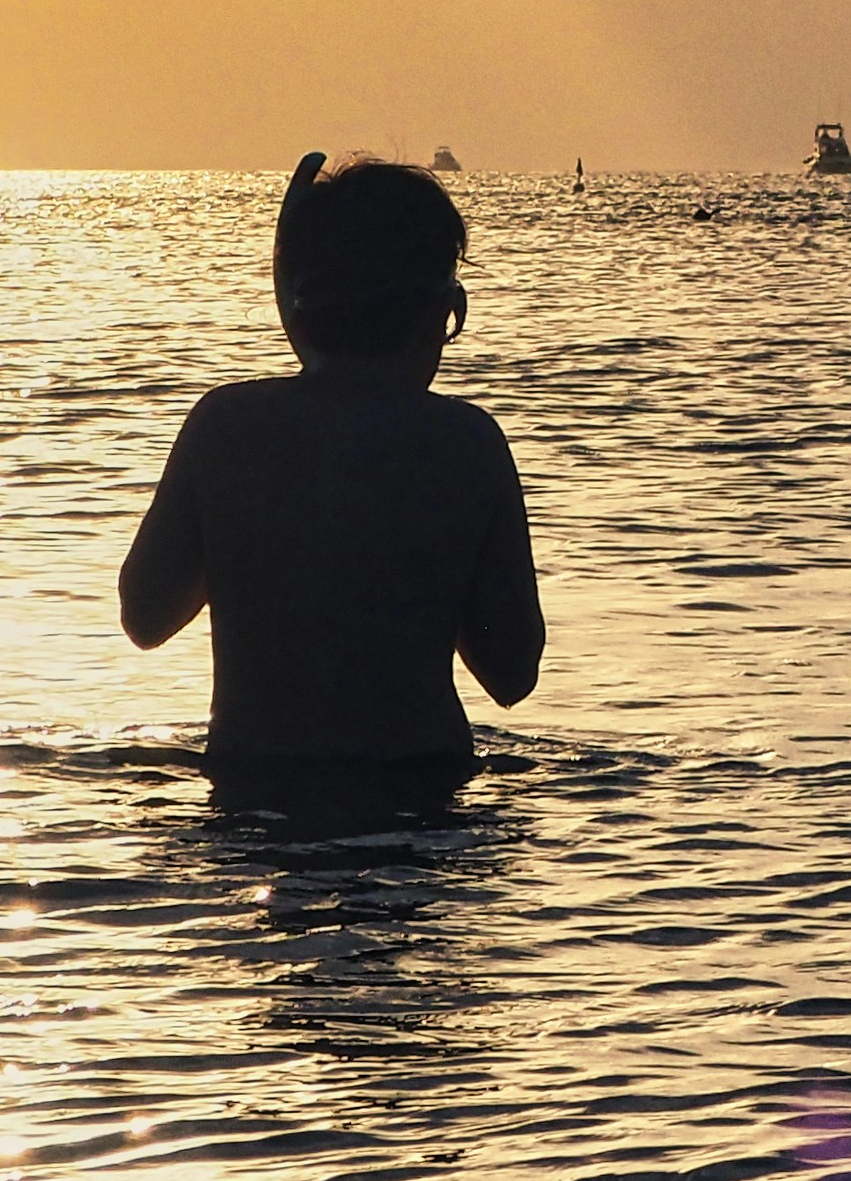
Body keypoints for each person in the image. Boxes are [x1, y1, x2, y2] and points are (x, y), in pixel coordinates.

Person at [120, 154, 543, 816]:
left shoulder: (228, 428)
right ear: (443, 311)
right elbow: (512, 672)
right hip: (421, 796)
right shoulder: (465, 443)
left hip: (255, 793)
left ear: (301, 305)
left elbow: (145, 619)